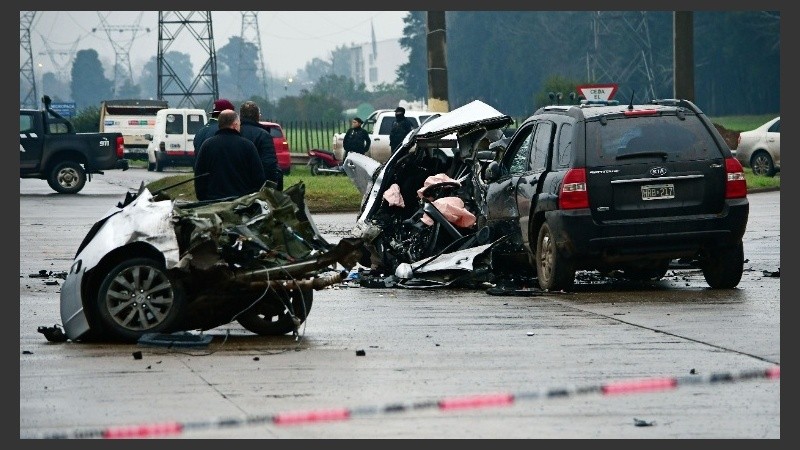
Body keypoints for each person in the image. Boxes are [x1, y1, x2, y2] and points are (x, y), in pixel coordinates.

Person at [194, 109, 266, 201]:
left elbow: (199, 176)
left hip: (213, 202)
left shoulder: (207, 145)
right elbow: (259, 179)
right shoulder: (248, 146)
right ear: (235, 125)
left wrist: (204, 199)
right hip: (241, 203)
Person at [239, 101, 283, 191]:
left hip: (236, 185)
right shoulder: (263, 135)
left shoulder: (234, 132)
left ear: (240, 116)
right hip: (256, 187)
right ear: (258, 116)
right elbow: (269, 165)